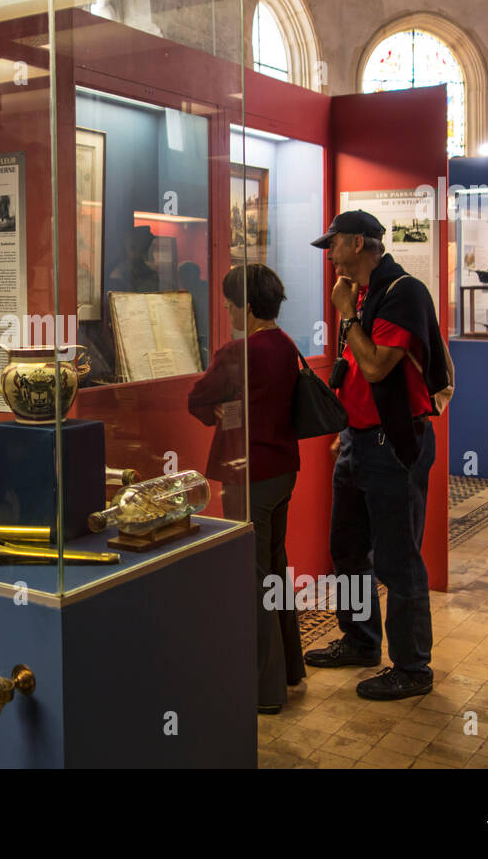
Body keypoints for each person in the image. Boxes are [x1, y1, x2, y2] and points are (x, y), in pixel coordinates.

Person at [305, 210, 450, 701]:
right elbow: (353, 369)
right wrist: (345, 427)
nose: (329, 254)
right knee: (347, 548)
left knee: (397, 559)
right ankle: (361, 640)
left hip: (394, 444)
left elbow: (375, 368)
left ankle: (412, 667)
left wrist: (346, 315)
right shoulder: (364, 293)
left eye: (334, 244)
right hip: (357, 439)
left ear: (358, 243)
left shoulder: (402, 292)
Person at [188, 263, 302, 713]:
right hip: (282, 470)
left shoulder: (238, 351)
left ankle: (264, 691)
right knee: (274, 569)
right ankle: (289, 668)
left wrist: (216, 408)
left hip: (247, 473)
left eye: (231, 304)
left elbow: (196, 397)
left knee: (252, 579)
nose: (228, 310)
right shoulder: (286, 345)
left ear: (248, 308)